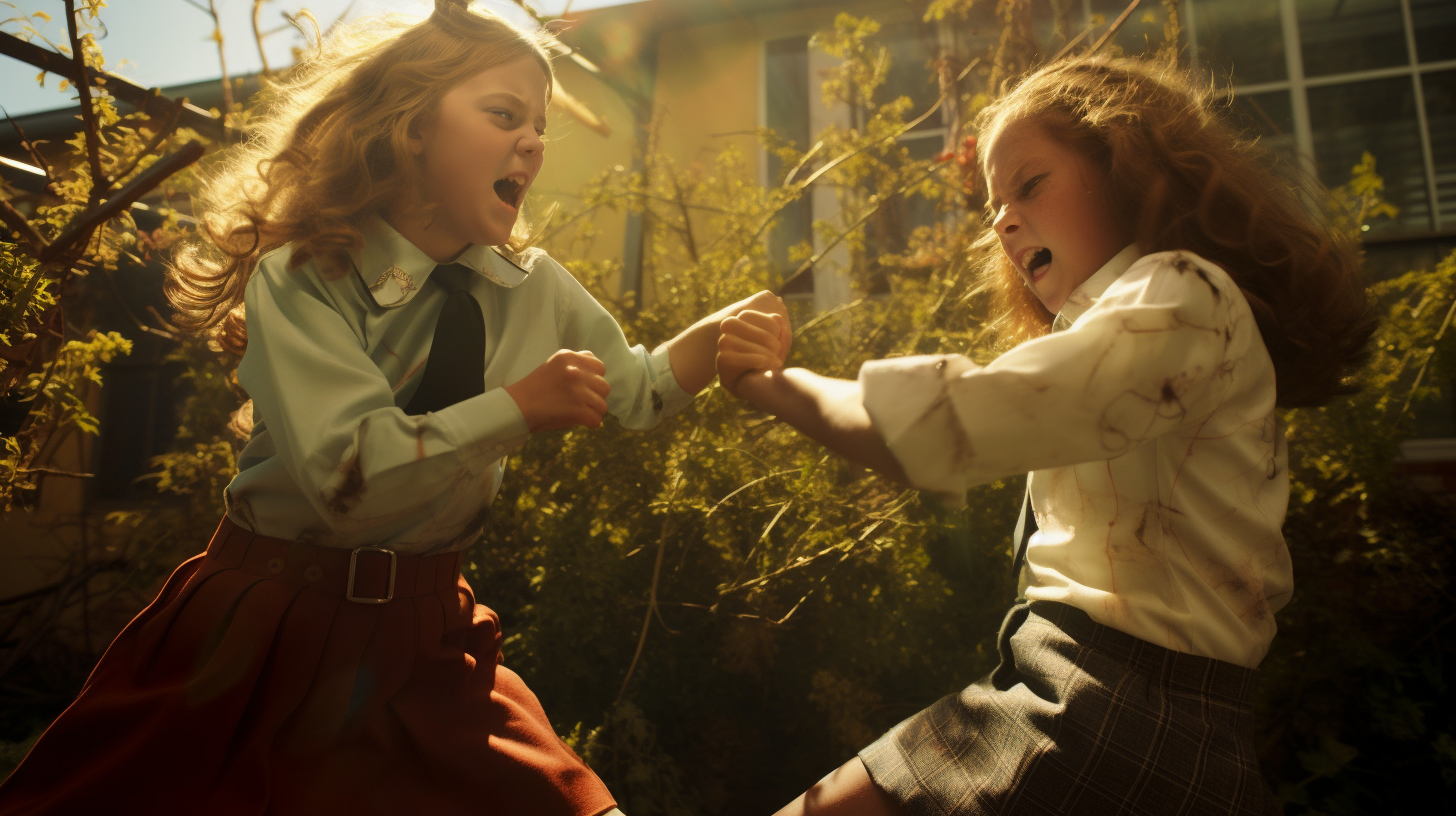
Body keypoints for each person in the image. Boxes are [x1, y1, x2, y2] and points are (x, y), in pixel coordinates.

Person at [0, 2, 785, 814]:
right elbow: (352, 474)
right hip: (266, 626)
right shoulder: (303, 276)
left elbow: (638, 391)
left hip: (426, 634)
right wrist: (518, 408)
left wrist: (720, 337)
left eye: (541, 127)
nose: (533, 143)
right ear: (412, 127)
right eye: (503, 114)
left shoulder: (533, 287)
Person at [716, 56, 1376, 816]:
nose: (1001, 220)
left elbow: (942, 424)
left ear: (1129, 166)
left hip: (1116, 710)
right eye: (994, 205)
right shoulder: (1128, 329)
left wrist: (771, 385)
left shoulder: (1181, 295)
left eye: (1029, 185)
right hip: (1099, 699)